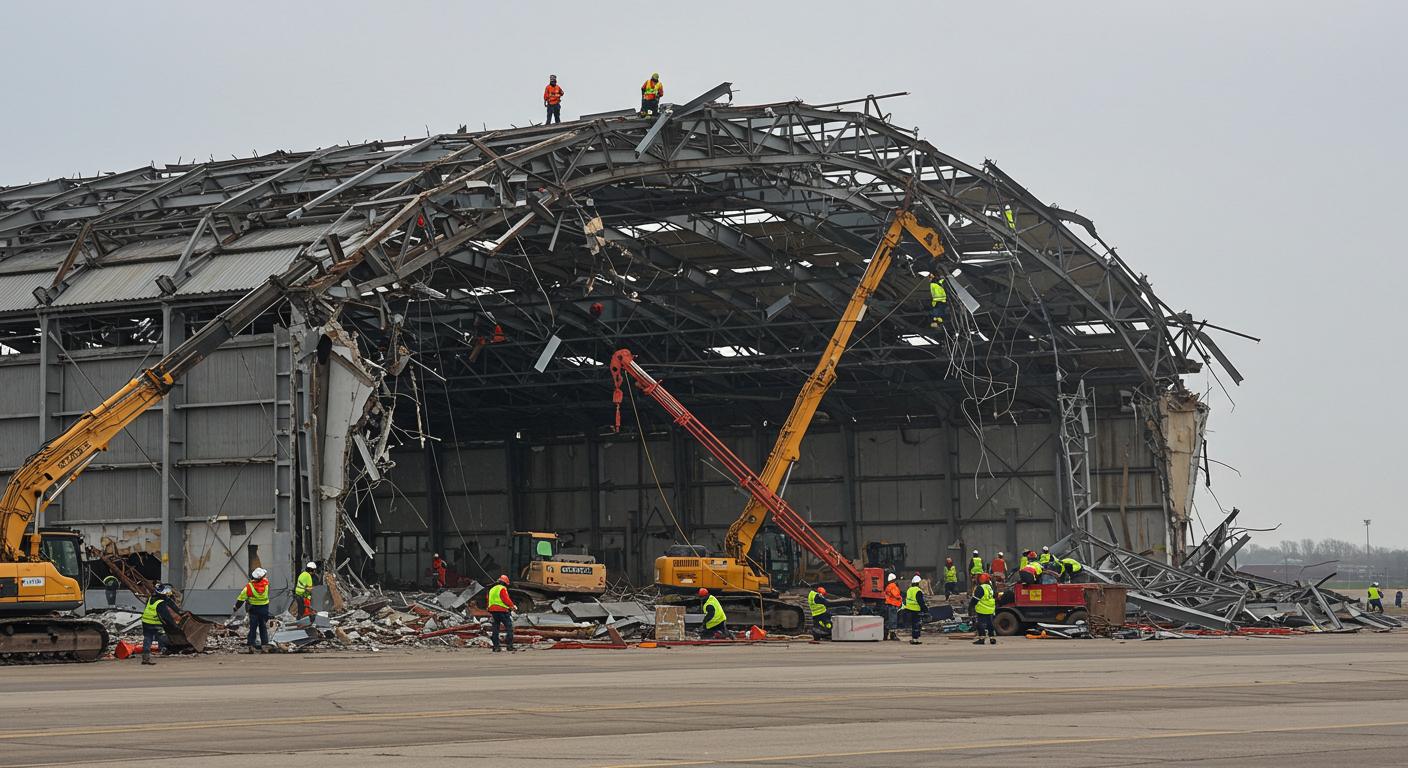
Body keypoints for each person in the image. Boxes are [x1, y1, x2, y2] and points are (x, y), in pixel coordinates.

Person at [231, 567, 271, 653]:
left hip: (254, 609)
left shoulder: (249, 587)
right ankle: (265, 645)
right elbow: (264, 578)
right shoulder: (266, 583)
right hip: (264, 608)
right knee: (263, 626)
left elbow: (241, 599)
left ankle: (251, 645)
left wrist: (236, 607)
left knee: (253, 627)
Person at [139, 584, 177, 666]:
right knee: (162, 635)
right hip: (154, 623)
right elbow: (166, 616)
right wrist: (174, 625)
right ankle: (163, 649)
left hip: (145, 622)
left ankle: (145, 657)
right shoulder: (160, 603)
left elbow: (169, 603)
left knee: (147, 639)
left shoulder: (150, 598)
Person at [487, 574, 517, 651]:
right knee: (509, 628)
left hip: (493, 611)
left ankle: (496, 647)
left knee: (495, 628)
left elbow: (488, 599)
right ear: (504, 583)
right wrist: (512, 606)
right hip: (502, 611)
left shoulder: (492, 589)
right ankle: (509, 646)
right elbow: (505, 599)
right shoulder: (502, 588)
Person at [970, 574, 997, 646]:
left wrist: (970, 608)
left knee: (980, 624)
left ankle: (982, 639)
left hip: (982, 609)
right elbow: (995, 595)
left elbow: (975, 599)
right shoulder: (989, 587)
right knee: (990, 624)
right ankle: (992, 638)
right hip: (990, 608)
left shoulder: (980, 588)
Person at [901, 575, 928, 645]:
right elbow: (920, 602)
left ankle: (914, 638)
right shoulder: (918, 591)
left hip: (909, 609)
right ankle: (915, 639)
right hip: (916, 610)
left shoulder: (909, 589)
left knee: (913, 625)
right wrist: (925, 610)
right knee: (917, 625)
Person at [883, 573, 903, 641]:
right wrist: (900, 598)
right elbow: (896, 595)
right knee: (893, 621)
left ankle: (885, 635)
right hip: (893, 605)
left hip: (889, 605)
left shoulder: (888, 586)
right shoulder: (893, 586)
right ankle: (893, 635)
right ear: (894, 579)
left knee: (888, 620)